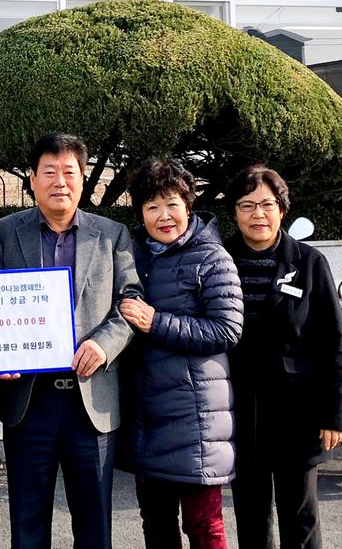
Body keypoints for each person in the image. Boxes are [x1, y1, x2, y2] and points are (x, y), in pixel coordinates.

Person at [0, 132, 142, 549]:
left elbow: (130, 302)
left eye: (69, 172)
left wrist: (103, 345)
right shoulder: (5, 234)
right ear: (32, 179)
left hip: (90, 402)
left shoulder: (111, 234)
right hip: (28, 401)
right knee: (28, 524)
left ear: (83, 179)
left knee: (94, 527)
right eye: (49, 172)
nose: (60, 182)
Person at [118, 157, 244, 549]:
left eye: (172, 204)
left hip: (197, 419)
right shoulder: (132, 256)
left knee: (203, 526)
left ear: (188, 205)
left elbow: (227, 329)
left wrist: (156, 322)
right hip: (147, 415)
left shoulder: (211, 257)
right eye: (152, 206)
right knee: (156, 524)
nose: (164, 216)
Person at [223, 165, 342, 549]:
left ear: (281, 209)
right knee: (250, 512)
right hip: (238, 408)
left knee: (300, 513)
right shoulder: (219, 260)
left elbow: (332, 341)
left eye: (267, 204)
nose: (257, 214)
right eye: (247, 205)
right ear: (235, 212)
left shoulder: (308, 262)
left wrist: (334, 414)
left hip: (298, 411)